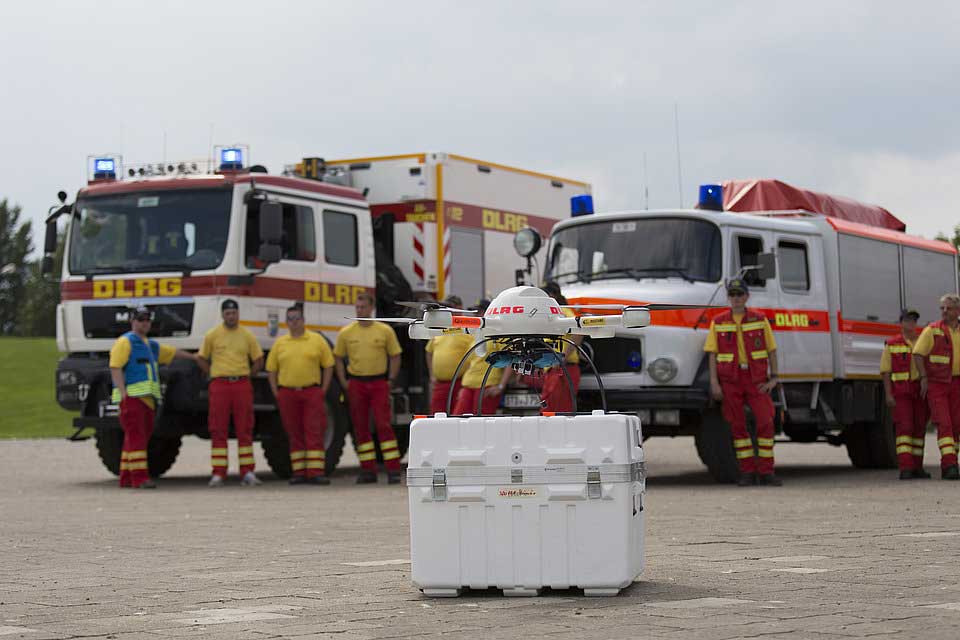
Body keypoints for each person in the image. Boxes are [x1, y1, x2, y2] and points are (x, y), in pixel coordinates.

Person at [108, 305, 200, 489]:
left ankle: (126, 477)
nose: (144, 323)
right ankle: (140, 478)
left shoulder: (150, 345)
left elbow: (172, 353)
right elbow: (115, 367)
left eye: (147, 320)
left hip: (147, 399)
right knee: (138, 439)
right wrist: (123, 394)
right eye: (140, 319)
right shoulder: (125, 342)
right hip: (133, 399)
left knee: (132, 439)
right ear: (132, 321)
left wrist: (195, 358)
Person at [704, 278, 781, 487]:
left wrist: (774, 377)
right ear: (729, 298)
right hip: (731, 381)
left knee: (766, 422)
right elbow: (712, 354)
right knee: (738, 427)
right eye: (733, 295)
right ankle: (747, 472)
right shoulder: (718, 322)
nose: (736, 298)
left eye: (740, 294)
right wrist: (714, 383)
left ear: (747, 296)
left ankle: (766, 472)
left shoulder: (759, 319)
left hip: (756, 380)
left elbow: (771, 350)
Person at [334, 292, 404, 484]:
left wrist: (391, 379)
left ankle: (393, 470)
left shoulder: (384, 330)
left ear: (371, 308)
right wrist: (343, 381)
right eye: (357, 307)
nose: (359, 310)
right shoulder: (346, 333)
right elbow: (338, 357)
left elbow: (395, 355)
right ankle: (368, 471)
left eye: (363, 307)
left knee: (384, 426)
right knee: (360, 427)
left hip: (379, 382)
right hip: (356, 383)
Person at [197, 299, 264, 488]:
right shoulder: (213, 335)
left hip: (241, 384)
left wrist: (250, 374)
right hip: (220, 384)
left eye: (234, 313)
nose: (231, 316)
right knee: (218, 429)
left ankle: (248, 472)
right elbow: (201, 358)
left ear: (238, 314)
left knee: (245, 429)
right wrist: (211, 372)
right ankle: (219, 473)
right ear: (222, 315)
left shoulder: (247, 335)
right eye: (228, 313)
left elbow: (258, 359)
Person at [266, 305, 336, 485]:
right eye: (290, 319)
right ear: (286, 322)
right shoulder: (280, 343)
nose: (294, 322)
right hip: (287, 393)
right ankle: (298, 473)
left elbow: (328, 365)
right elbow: (271, 370)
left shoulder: (316, 340)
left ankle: (316, 473)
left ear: (303, 320)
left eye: (297, 318)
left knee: (314, 431)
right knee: (294, 432)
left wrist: (323, 390)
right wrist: (277, 392)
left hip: (311, 391)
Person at [912, 293, 960, 480]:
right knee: (945, 424)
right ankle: (949, 466)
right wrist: (924, 376)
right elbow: (917, 353)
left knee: (956, 425)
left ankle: (952, 462)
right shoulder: (932, 330)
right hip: (937, 384)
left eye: (948, 308)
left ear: (957, 311)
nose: (944, 312)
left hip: (956, 383)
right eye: (942, 308)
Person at [881, 309, 930, 480]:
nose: (911, 324)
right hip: (901, 393)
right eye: (908, 320)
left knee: (919, 429)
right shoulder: (892, 344)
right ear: (901, 323)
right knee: (905, 428)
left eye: (914, 321)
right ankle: (906, 467)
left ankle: (918, 467)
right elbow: (886, 372)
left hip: (919, 392)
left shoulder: (922, 342)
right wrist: (888, 395)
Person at [453, 301, 513, 415]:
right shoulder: (475, 333)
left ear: (488, 312)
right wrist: (463, 387)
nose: (476, 316)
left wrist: (501, 386)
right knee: (457, 417)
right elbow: (470, 362)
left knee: (481, 421)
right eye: (475, 313)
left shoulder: (497, 334)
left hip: (487, 384)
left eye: (479, 312)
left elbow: (510, 360)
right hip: (469, 384)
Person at [425, 295, 474, 415]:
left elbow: (476, 355)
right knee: (436, 415)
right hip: (440, 383)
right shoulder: (441, 329)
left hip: (459, 382)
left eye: (450, 307)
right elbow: (429, 351)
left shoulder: (468, 329)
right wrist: (432, 375)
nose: (447, 311)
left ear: (460, 308)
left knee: (457, 416)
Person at [540, 281, 583, 413]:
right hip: (553, 371)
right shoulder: (550, 314)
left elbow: (578, 331)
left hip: (562, 370)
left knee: (558, 413)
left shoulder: (562, 311)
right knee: (550, 412)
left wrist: (562, 356)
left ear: (552, 295)